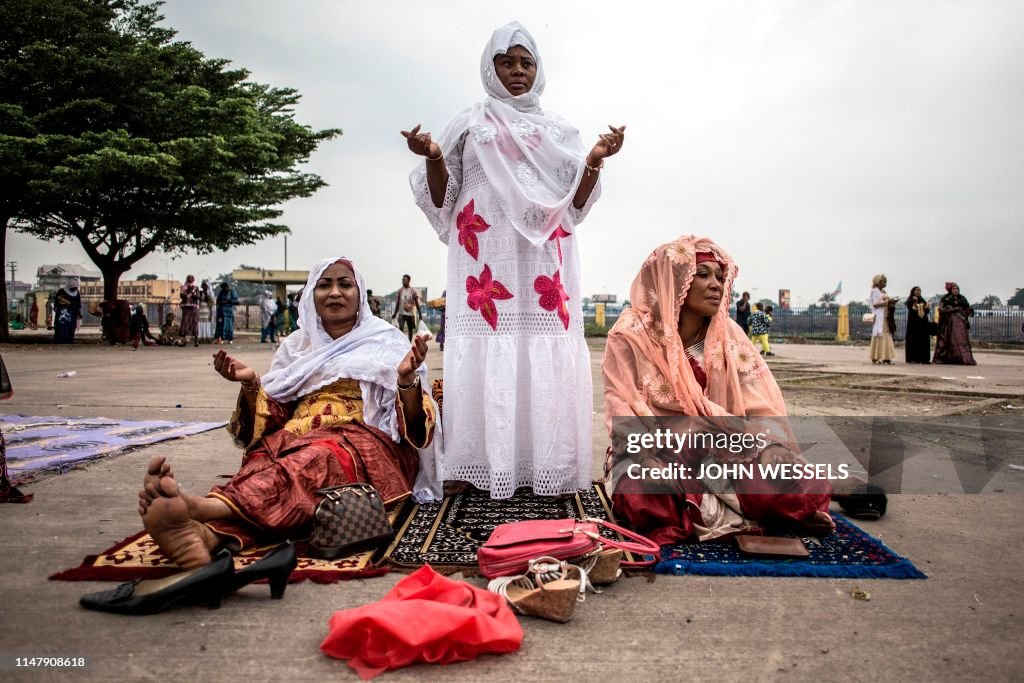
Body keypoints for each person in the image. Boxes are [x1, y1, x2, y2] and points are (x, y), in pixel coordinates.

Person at [404, 21, 625, 498]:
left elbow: (576, 204)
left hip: (544, 261)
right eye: (507, 62)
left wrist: (596, 158)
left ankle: (547, 469)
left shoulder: (559, 130)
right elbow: (444, 200)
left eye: (527, 62)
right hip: (485, 260)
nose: (518, 70)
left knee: (538, 348)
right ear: (491, 67)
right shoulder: (467, 123)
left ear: (538, 69)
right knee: (488, 347)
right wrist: (434, 156)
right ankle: (476, 466)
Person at [134, 257, 441, 569]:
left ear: (360, 295)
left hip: (360, 442)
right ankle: (206, 537)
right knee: (264, 464)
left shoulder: (386, 340)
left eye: (345, 284)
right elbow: (275, 414)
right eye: (324, 285)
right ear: (311, 296)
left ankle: (202, 508)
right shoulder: (296, 347)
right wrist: (252, 384)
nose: (335, 292)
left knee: (314, 462)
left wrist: (405, 380)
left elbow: (414, 431)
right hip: (295, 438)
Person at [602, 236, 836, 544]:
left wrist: (771, 447)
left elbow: (758, 403)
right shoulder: (631, 334)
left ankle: (744, 511)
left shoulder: (729, 336)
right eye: (703, 274)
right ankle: (754, 517)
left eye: (721, 277)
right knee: (646, 495)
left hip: (720, 447)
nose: (717, 284)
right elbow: (620, 404)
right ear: (674, 278)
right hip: (651, 449)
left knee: (790, 484)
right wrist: (647, 460)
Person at [933, 282, 976, 365]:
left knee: (961, 340)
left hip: (960, 324)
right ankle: (946, 358)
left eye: (957, 289)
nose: (956, 290)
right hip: (949, 324)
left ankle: (961, 358)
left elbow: (967, 308)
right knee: (948, 340)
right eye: (954, 289)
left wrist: (968, 310)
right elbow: (941, 310)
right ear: (950, 290)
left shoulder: (962, 298)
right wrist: (952, 309)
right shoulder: (946, 298)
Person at [869, 274, 896, 364]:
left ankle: (886, 357)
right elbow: (875, 304)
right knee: (879, 335)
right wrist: (887, 302)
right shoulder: (874, 291)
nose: (885, 283)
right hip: (879, 316)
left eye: (886, 282)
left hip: (886, 316)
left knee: (887, 335)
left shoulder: (883, 291)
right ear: (878, 282)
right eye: (883, 281)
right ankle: (876, 357)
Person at [904, 286, 932, 364]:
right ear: (913, 291)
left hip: (923, 323)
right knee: (913, 339)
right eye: (916, 290)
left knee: (924, 339)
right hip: (913, 323)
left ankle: (924, 359)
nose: (918, 292)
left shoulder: (922, 300)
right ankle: (912, 358)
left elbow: (926, 311)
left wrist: (928, 305)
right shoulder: (910, 300)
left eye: (919, 290)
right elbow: (912, 309)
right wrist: (915, 302)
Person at [391, 275, 421, 342]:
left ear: (409, 281)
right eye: (402, 280)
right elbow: (397, 302)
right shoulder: (400, 291)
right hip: (402, 313)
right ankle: (402, 342)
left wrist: (420, 313)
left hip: (410, 314)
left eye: (404, 280)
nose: (403, 281)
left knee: (410, 329)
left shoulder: (413, 291)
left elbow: (416, 302)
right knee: (400, 328)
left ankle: (409, 343)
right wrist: (395, 313)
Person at [53, 278, 82, 344]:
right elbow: (57, 302)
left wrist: (79, 312)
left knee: (71, 328)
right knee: (61, 328)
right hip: (63, 314)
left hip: (73, 314)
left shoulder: (77, 293)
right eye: (73, 288)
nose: (74, 289)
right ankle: (59, 342)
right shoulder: (61, 291)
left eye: (75, 288)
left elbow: (78, 304)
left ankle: (69, 341)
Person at [179, 275, 200, 347]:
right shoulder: (183, 287)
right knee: (185, 323)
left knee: (194, 323)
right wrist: (187, 291)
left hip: (193, 307)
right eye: (189, 280)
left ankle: (196, 340)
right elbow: (181, 296)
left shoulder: (196, 288)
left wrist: (193, 292)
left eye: (191, 280)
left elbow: (198, 297)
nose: (190, 281)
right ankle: (184, 341)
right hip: (186, 307)